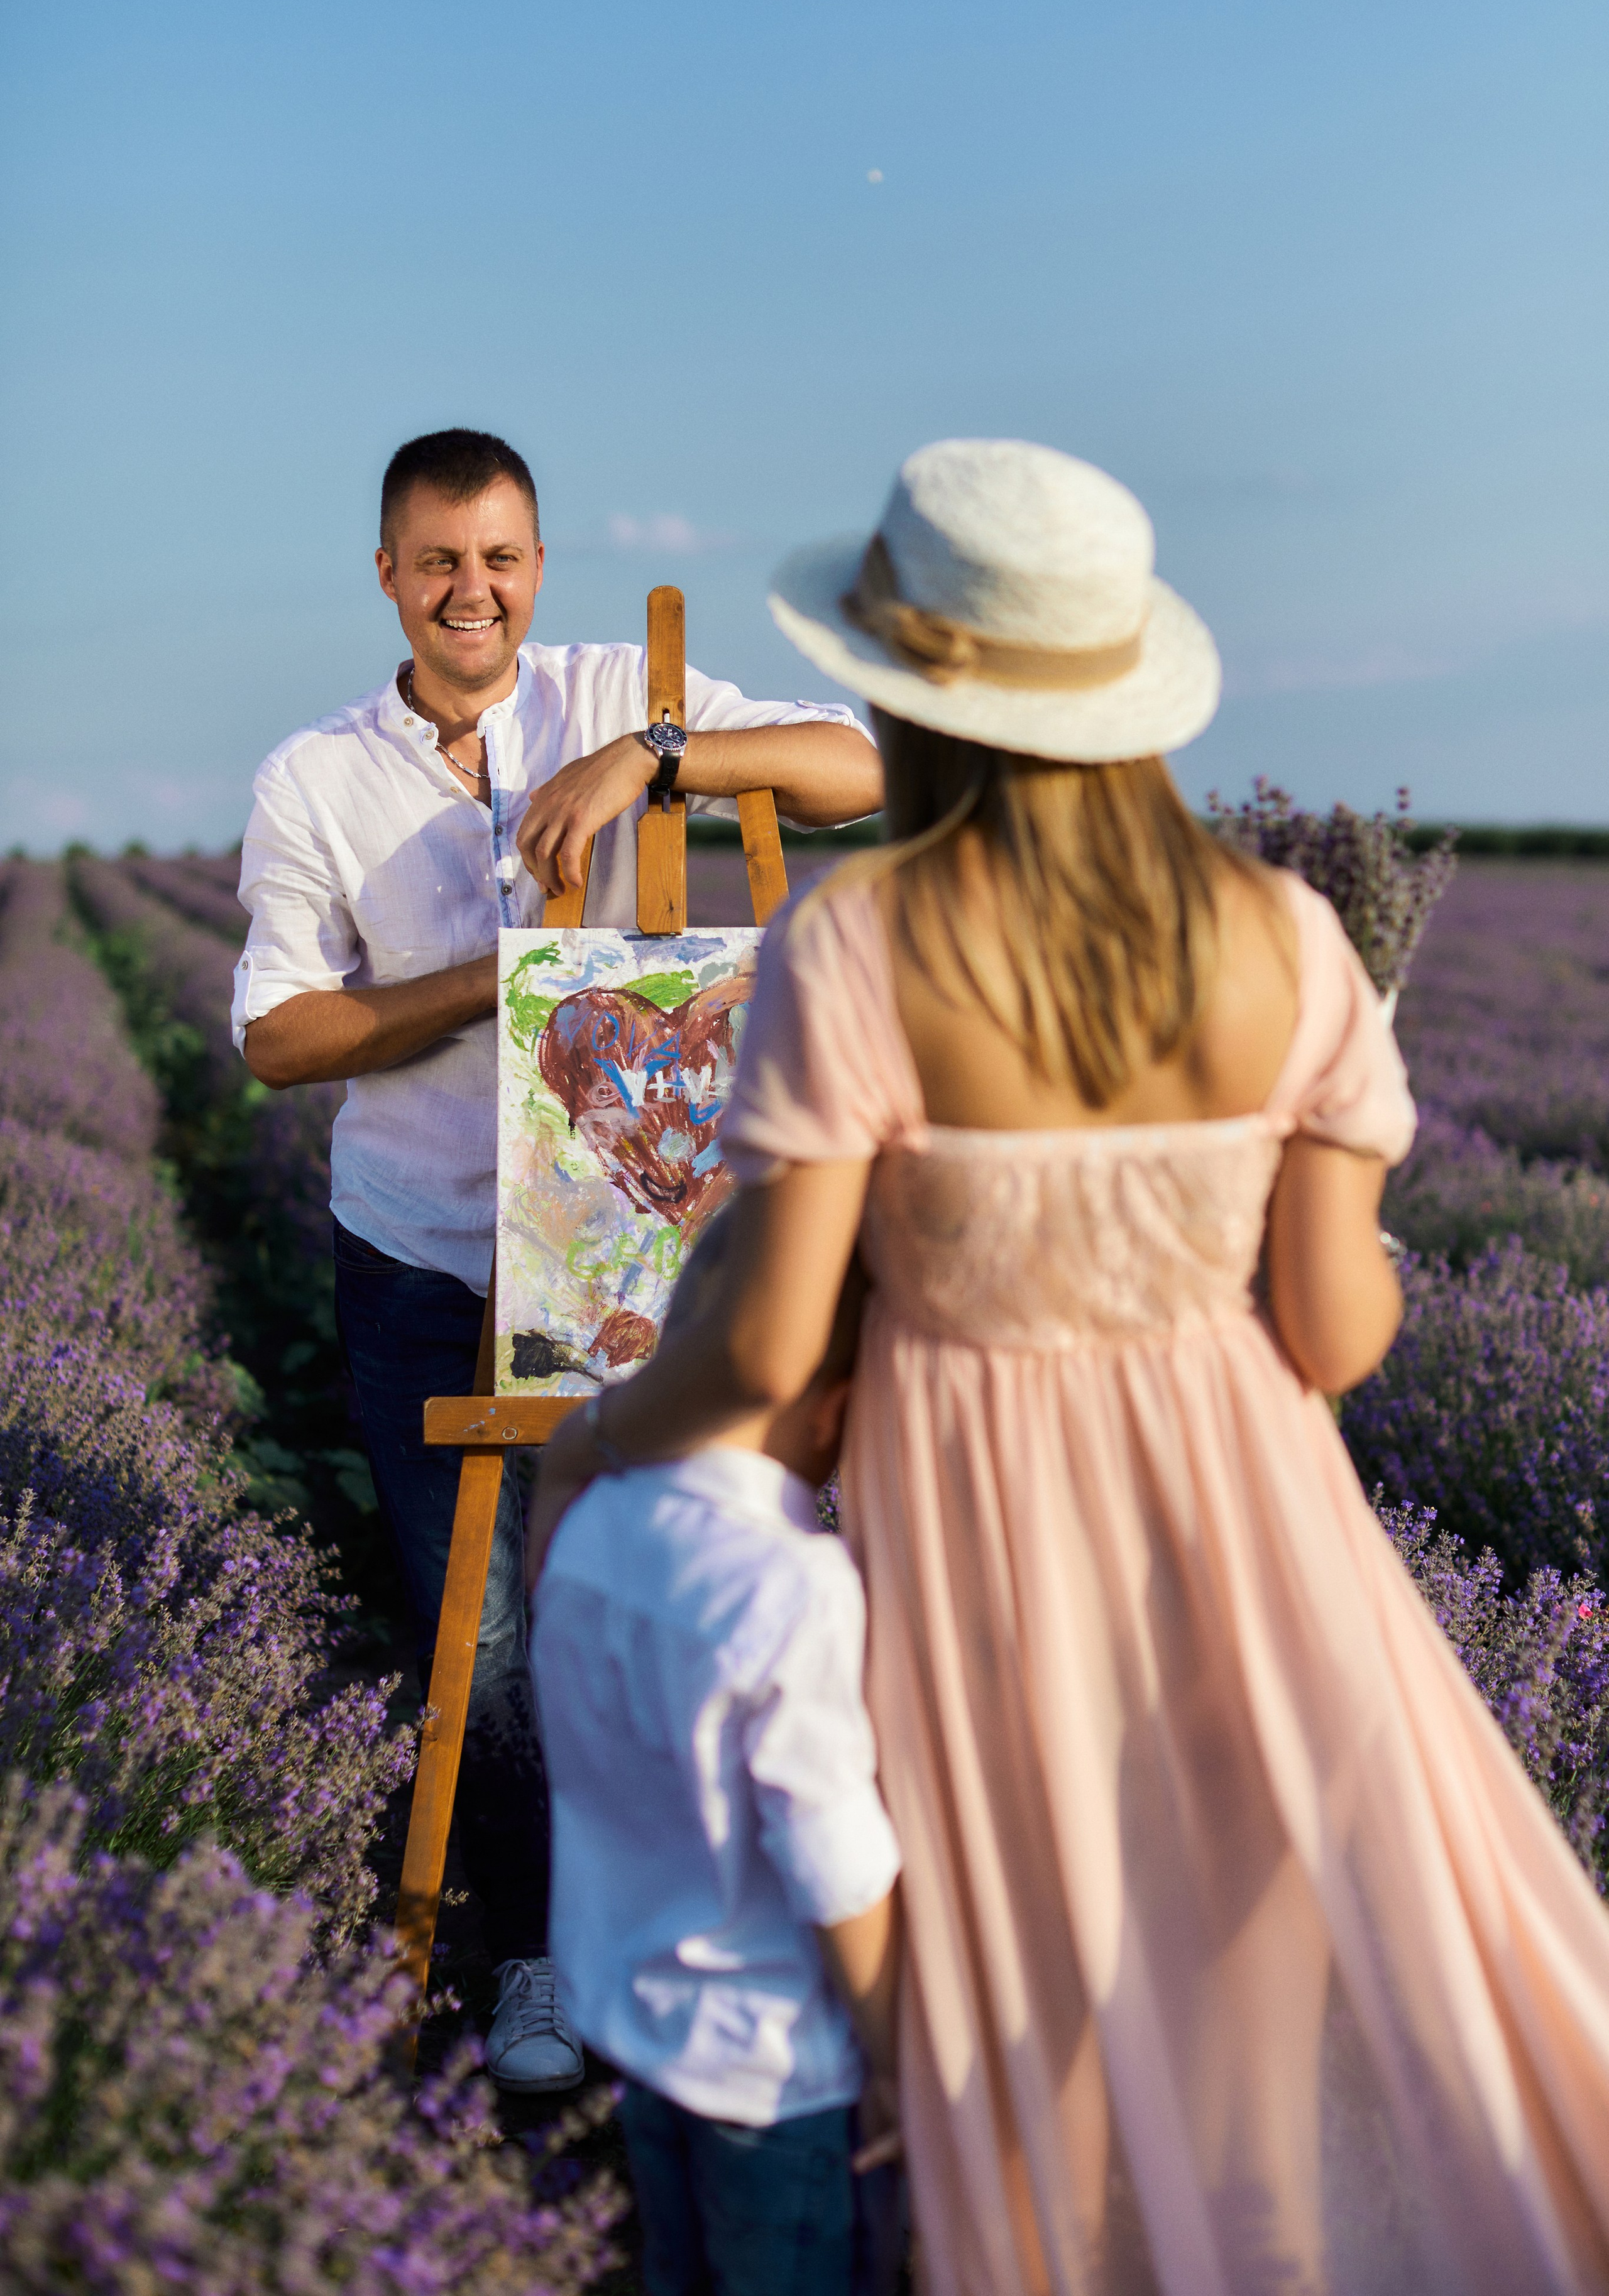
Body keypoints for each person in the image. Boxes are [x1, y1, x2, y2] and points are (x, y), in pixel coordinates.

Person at [530, 440, 1609, 2290]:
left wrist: (601, 1436)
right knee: (1255, 2031)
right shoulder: (1288, 942)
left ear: (919, 695)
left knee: (1030, 2047)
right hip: (1260, 1539)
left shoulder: (860, 938)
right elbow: (1339, 1335)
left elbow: (773, 1337)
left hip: (983, 1551)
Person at [231, 427, 882, 2092]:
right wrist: (502, 977)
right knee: (493, 1640)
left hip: (636, 1264)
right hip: (428, 1263)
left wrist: (658, 757)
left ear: (540, 564)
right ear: (388, 571)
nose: (475, 590)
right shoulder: (314, 775)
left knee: (668, 1599)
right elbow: (285, 1038)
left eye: (503, 557)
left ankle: (696, 1931)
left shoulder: (611, 689)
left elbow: (856, 765)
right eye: (440, 559)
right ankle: (534, 1955)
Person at [530, 1210, 904, 2296]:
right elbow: (834, 1861)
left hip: (637, 2027)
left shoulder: (594, 1522)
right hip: (781, 2068)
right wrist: (894, 2058)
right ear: (837, 1413)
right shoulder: (794, 1586)